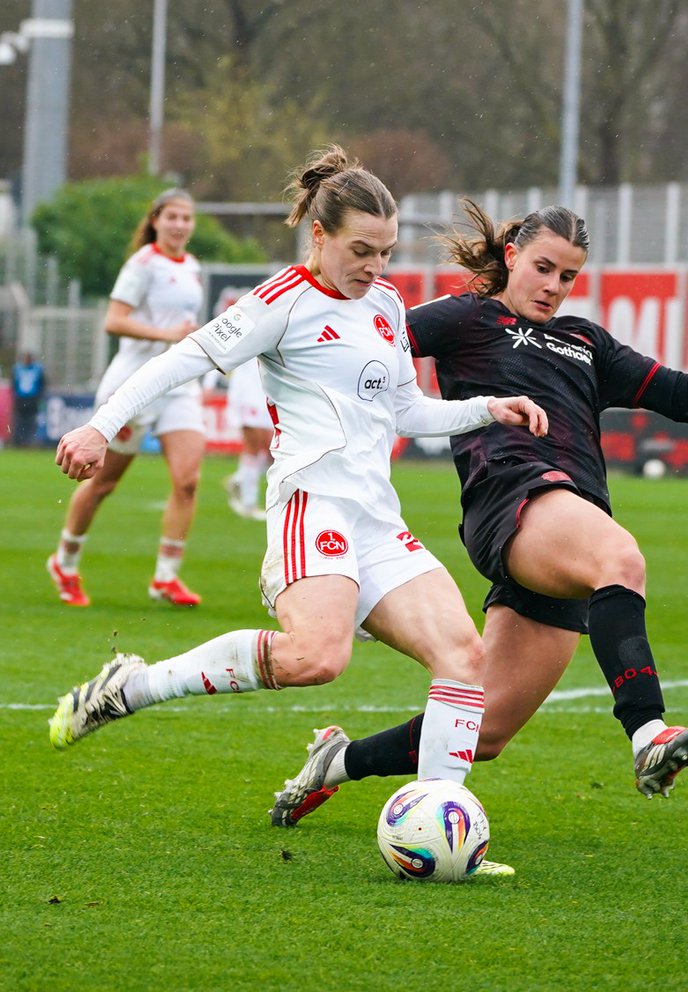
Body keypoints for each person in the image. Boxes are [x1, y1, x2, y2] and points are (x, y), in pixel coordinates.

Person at [47, 149, 547, 871]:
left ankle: (443, 835)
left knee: (464, 658)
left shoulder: (383, 306)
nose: (375, 267)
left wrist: (484, 409)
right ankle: (134, 685)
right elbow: (179, 361)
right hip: (311, 508)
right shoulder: (281, 301)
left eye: (386, 252)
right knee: (318, 658)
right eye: (360, 251)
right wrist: (99, 426)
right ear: (319, 235)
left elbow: (405, 407)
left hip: (376, 516)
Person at [269, 198, 688, 835]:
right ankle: (649, 734)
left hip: (566, 523)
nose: (553, 286)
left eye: (568, 276)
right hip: (511, 498)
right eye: (543, 267)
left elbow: (686, 399)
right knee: (620, 559)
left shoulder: (586, 342)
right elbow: (366, 347)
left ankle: (336, 762)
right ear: (513, 254)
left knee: (482, 728)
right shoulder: (466, 318)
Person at [46, 188, 206, 608]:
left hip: (179, 384)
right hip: (134, 385)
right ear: (155, 220)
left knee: (188, 482)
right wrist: (167, 335)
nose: (179, 225)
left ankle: (165, 578)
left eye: (186, 218)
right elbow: (114, 322)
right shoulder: (142, 264)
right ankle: (64, 561)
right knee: (103, 483)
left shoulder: (191, 265)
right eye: (172, 216)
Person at [223, 358, 273, 520]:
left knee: (272, 450)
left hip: (267, 389)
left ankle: (239, 479)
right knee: (254, 444)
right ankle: (248, 504)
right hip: (248, 392)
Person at [10, 352, 46, 447]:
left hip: (32, 399)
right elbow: (13, 383)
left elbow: (42, 384)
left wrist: (38, 396)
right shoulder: (17, 369)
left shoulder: (37, 369)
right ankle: (17, 442)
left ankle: (29, 441)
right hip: (20, 399)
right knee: (19, 421)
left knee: (31, 422)